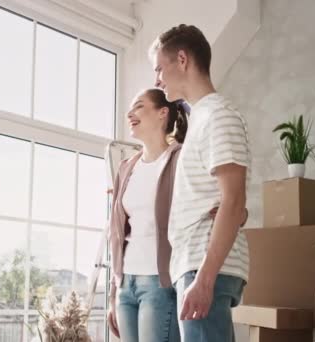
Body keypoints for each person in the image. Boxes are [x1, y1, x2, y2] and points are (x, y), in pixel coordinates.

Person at [106, 88, 247, 342]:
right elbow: (117, 232)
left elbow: (227, 198)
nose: (130, 113)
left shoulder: (182, 157)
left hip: (160, 283)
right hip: (126, 284)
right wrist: (114, 292)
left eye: (139, 106)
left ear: (162, 113)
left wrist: (238, 213)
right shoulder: (127, 167)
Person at [150, 24, 252, 342]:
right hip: (195, 265)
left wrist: (204, 279)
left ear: (182, 59)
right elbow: (230, 203)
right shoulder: (201, 119)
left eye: (159, 68)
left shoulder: (218, 115)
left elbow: (233, 201)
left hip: (203, 266)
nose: (157, 79)